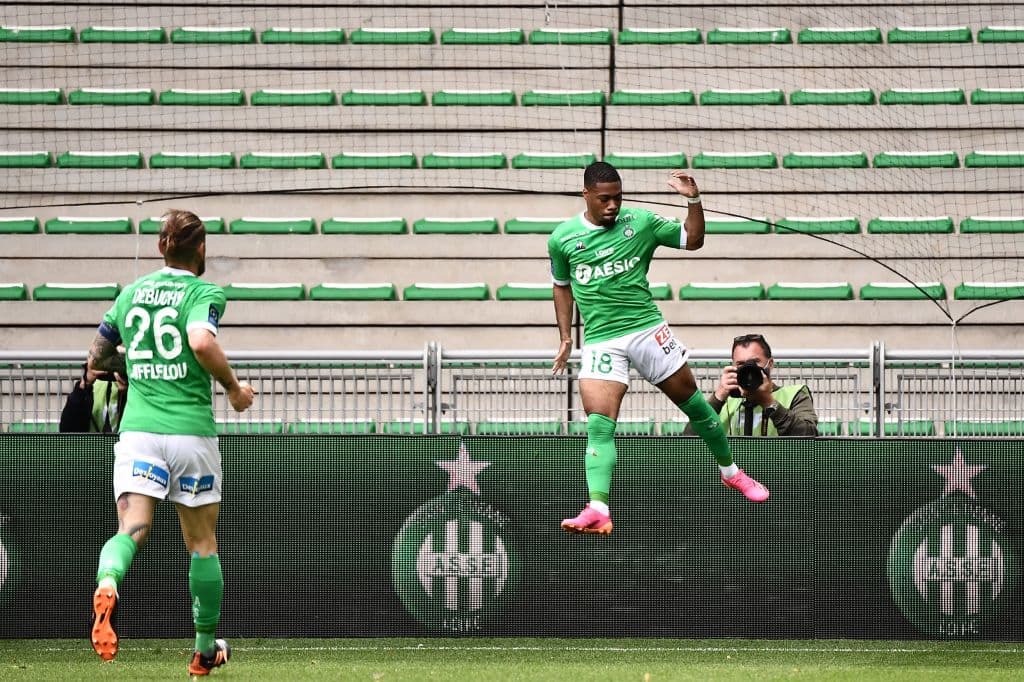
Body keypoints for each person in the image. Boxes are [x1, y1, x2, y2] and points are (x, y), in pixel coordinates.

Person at [550, 161, 769, 536]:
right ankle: (598, 507)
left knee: (695, 405)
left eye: (618, 197)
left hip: (646, 330)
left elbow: (693, 239)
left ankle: (731, 472)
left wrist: (694, 201)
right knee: (599, 425)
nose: (613, 205)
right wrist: (567, 338)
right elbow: (561, 286)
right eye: (604, 199)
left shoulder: (641, 222)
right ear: (585, 194)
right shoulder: (562, 238)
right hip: (601, 340)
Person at [87, 209, 254, 676]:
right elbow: (201, 342)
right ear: (200, 248)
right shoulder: (204, 292)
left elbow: (98, 356)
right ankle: (204, 650)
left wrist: (137, 367)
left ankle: (108, 582)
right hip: (189, 434)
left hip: (139, 433)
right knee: (201, 543)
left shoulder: (130, 294)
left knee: (132, 528)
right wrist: (234, 389)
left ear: (161, 246)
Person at [686, 333, 819, 437]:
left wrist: (768, 402)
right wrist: (718, 398)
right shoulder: (726, 402)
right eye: (741, 364)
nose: (748, 369)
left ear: (770, 364)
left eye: (755, 362)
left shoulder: (794, 395)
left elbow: (809, 436)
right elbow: (688, 439)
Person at [59, 364, 128, 433]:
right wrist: (83, 388)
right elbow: (67, 430)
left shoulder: (132, 386)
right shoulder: (91, 383)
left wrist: (128, 393)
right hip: (91, 439)